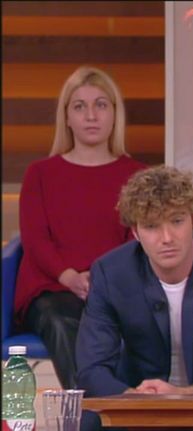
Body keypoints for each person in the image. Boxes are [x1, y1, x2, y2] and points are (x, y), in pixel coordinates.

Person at [14, 65, 146, 389]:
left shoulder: (137, 175)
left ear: (114, 114)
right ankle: (93, 409)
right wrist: (70, 277)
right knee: (65, 319)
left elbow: (137, 240)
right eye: (79, 106)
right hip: (52, 289)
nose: (91, 115)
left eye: (100, 104)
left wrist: (102, 282)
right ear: (67, 118)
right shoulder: (40, 174)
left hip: (114, 288)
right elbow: (35, 239)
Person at [75, 165, 193, 397]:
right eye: (151, 226)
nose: (167, 238)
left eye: (177, 221)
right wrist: (136, 399)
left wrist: (189, 395)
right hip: (138, 402)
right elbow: (92, 369)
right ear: (135, 232)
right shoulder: (112, 274)